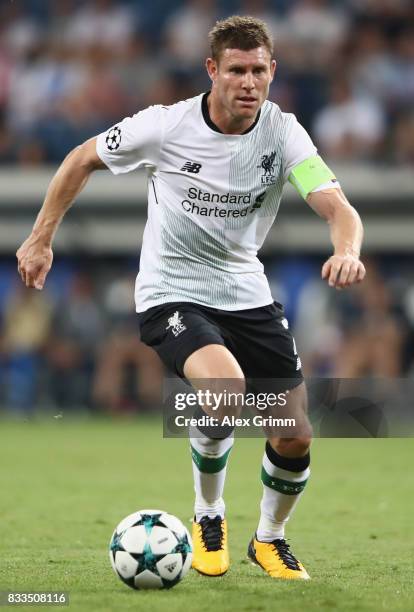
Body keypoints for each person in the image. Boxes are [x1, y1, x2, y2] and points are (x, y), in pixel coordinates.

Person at [16, 16, 366, 581]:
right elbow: (80, 158)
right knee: (225, 392)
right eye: (236, 71)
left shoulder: (285, 133)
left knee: (296, 433)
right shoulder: (164, 126)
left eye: (259, 71)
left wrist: (347, 249)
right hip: (170, 290)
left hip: (246, 291)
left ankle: (270, 540)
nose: (249, 83)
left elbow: (337, 207)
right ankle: (209, 516)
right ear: (213, 71)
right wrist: (40, 236)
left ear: (273, 71)